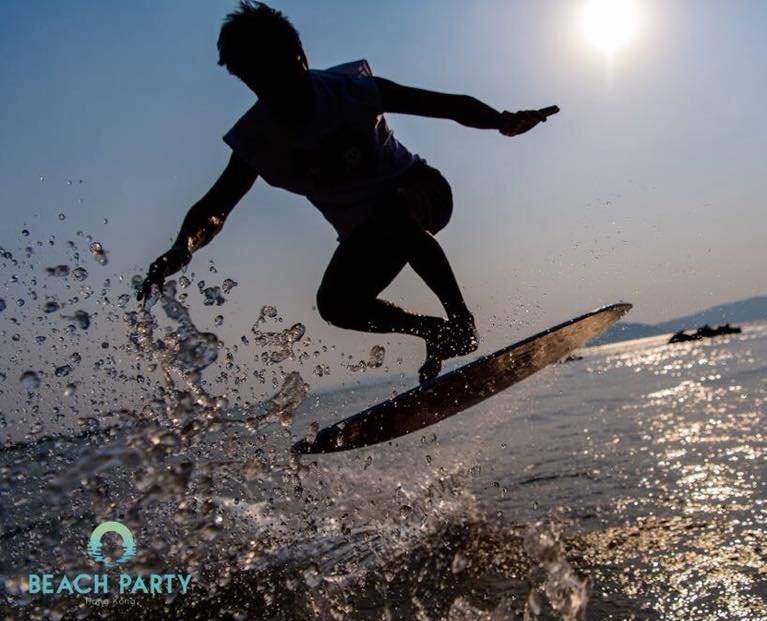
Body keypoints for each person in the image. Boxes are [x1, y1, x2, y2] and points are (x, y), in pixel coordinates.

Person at [138, 1, 558, 383]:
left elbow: (448, 104)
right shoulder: (257, 140)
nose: (279, 92)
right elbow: (216, 205)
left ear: (300, 56)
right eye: (260, 82)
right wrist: (183, 247)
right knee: (336, 304)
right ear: (247, 81)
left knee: (392, 214)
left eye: (281, 72)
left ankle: (461, 321)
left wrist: (502, 120)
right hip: (370, 235)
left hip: (422, 190)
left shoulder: (350, 91)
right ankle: (436, 332)